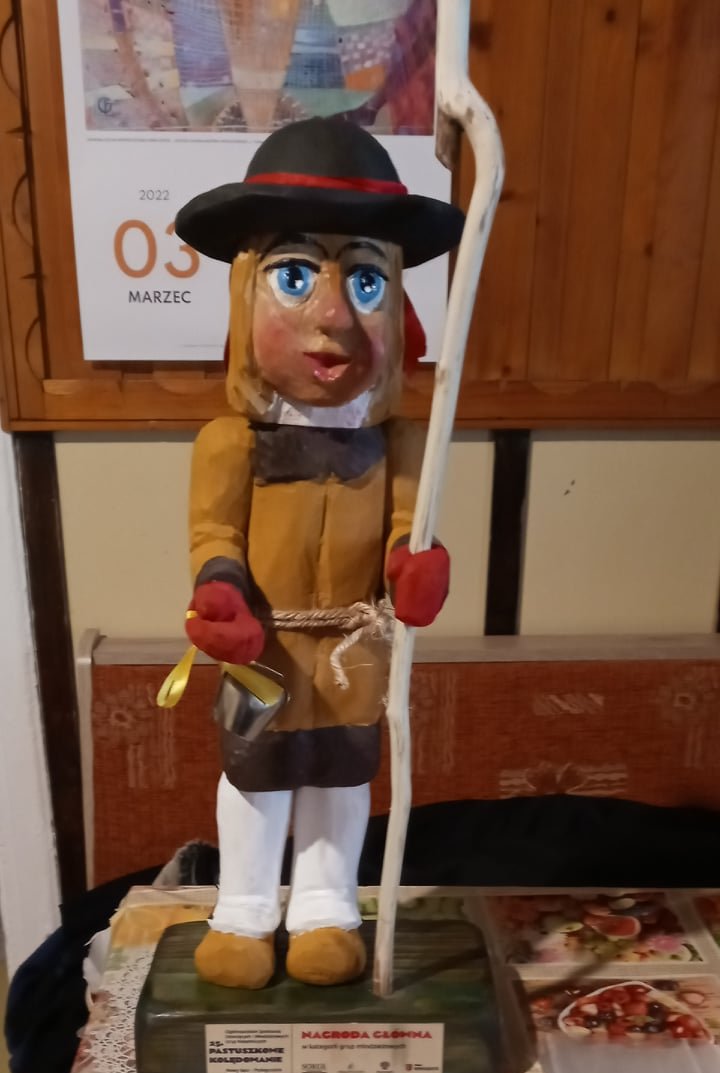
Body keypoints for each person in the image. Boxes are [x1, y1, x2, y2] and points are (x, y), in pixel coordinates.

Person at [175, 116, 463, 990]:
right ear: (244, 293)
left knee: (339, 780)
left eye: (366, 281)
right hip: (260, 652)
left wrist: (415, 568)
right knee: (254, 778)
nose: (334, 316)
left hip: (352, 652)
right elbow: (215, 536)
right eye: (295, 277)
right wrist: (220, 593)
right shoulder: (229, 443)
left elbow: (407, 529)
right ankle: (244, 911)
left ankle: (326, 907)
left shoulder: (401, 444)